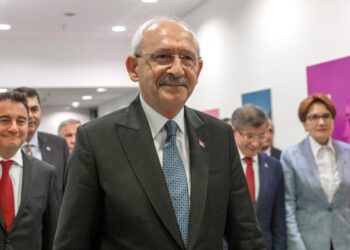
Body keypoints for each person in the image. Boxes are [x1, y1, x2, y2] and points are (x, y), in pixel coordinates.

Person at [53, 16, 266, 250]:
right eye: (162, 56)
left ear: (199, 68)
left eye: (187, 58)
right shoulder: (96, 140)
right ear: (133, 68)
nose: (177, 69)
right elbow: (73, 242)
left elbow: (246, 235)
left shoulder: (219, 136)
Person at [281, 93, 350, 250]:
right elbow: (288, 205)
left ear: (333, 120)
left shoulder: (347, 152)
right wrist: (296, 245)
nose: (321, 122)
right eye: (313, 117)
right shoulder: (291, 156)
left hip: (344, 239)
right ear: (304, 124)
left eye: (326, 116)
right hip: (309, 241)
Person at [0, 91, 59, 250]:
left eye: (21, 121)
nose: (13, 128)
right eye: (4, 120)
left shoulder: (45, 173)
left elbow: (52, 233)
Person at [231, 104, 286, 250]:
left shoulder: (274, 167)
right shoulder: (221, 165)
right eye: (250, 136)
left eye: (262, 136)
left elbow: (278, 219)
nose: (256, 143)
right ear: (234, 132)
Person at [13, 87, 69, 203]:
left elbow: (68, 186)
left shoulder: (59, 144)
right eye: (25, 109)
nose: (30, 115)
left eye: (34, 109)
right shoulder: (4, 146)